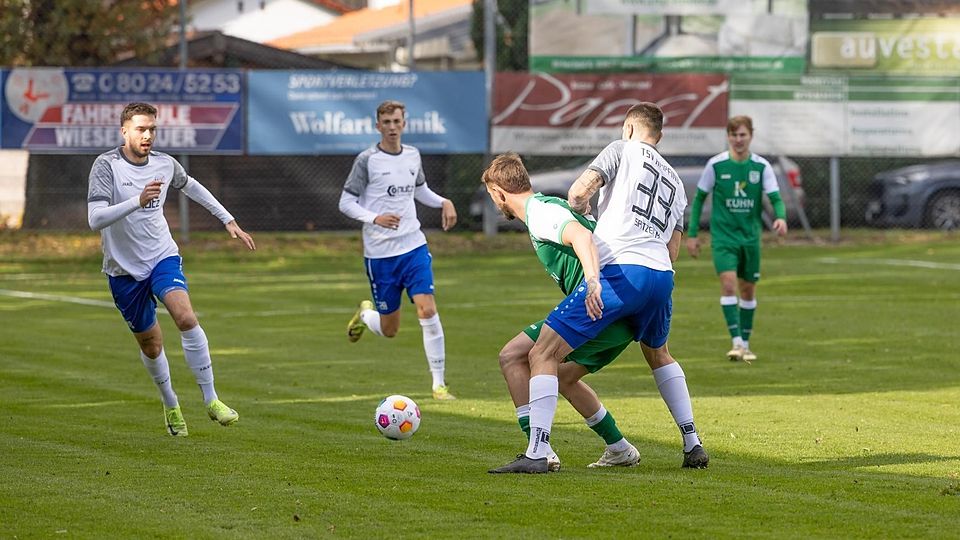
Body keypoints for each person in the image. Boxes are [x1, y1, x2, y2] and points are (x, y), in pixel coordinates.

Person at [490, 102, 707, 473]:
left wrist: (588, 213)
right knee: (660, 356)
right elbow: (673, 248)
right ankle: (692, 444)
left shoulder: (622, 149)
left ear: (628, 128)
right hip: (661, 276)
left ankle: (538, 452)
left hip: (621, 271)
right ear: (661, 136)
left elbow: (577, 192)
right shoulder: (675, 180)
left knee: (542, 354)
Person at [87, 102, 256, 436]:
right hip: (123, 270)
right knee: (151, 346)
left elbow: (190, 185)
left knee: (186, 317)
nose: (147, 135)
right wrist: (136, 201)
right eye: (140, 129)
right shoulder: (106, 166)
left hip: (161, 256)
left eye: (152, 129)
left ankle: (212, 399)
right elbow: (95, 219)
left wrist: (228, 219)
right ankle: (171, 402)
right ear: (124, 131)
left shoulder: (164, 164)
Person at [339, 100, 458, 401]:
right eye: (387, 122)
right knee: (390, 329)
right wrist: (374, 217)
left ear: (404, 124)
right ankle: (367, 315)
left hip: (413, 245)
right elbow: (346, 203)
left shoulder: (413, 156)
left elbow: (420, 191)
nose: (392, 127)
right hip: (380, 254)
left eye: (397, 121)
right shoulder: (367, 160)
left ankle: (439, 385)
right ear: (377, 126)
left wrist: (444, 201)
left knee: (427, 309)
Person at [685, 115, 788, 363]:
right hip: (724, 239)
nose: (738, 139)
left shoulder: (761, 167)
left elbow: (775, 197)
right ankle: (737, 343)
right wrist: (692, 234)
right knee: (729, 284)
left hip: (750, 239)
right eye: (734, 135)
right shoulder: (716, 165)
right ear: (728, 137)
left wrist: (781, 217)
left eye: (742, 135)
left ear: (750, 136)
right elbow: (699, 199)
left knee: (748, 290)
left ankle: (746, 343)